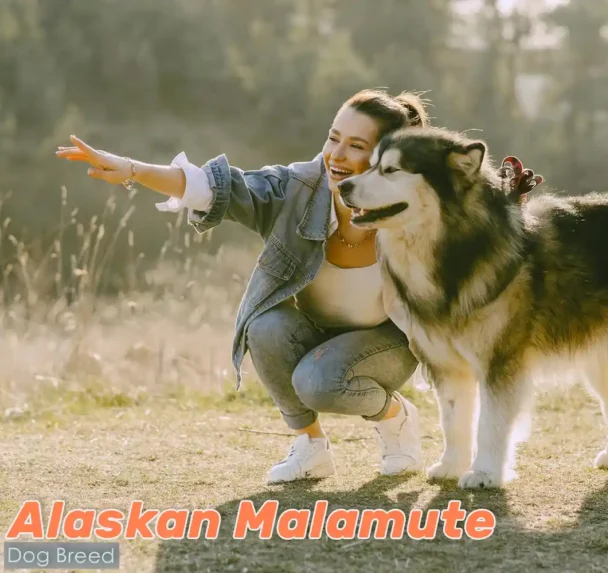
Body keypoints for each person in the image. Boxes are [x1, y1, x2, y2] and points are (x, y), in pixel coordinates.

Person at [56, 89, 542, 484]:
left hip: (390, 343)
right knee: (263, 325)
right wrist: (134, 170)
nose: (336, 154)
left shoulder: (412, 212)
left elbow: (474, 224)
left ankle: (395, 419)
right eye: (334, 138)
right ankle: (310, 447)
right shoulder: (297, 188)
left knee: (320, 382)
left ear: (388, 160)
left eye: (357, 146)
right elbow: (217, 186)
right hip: (315, 331)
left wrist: (505, 200)